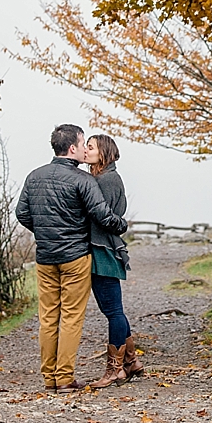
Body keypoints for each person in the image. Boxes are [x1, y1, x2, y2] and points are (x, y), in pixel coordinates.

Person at [15, 124, 129, 394]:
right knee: (70, 317)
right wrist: (121, 225)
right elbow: (102, 215)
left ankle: (49, 377)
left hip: (45, 257)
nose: (85, 148)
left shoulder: (34, 176)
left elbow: (22, 213)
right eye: (82, 143)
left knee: (48, 316)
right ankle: (64, 377)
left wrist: (46, 232)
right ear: (71, 148)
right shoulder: (82, 180)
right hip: (75, 256)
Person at [84, 134, 145, 388]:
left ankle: (115, 370)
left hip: (103, 250)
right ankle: (130, 362)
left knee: (113, 311)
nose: (86, 151)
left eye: (90, 147)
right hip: (103, 248)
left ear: (104, 152)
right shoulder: (105, 177)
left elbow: (105, 216)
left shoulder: (107, 179)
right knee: (114, 309)